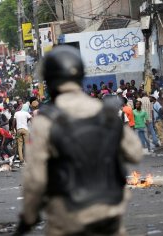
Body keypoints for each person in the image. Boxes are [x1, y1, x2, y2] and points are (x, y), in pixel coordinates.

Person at [16, 46, 142, 235]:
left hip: (68, 219)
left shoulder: (45, 121)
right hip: (109, 214)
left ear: (50, 80)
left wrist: (28, 217)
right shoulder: (104, 112)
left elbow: (36, 179)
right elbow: (135, 153)